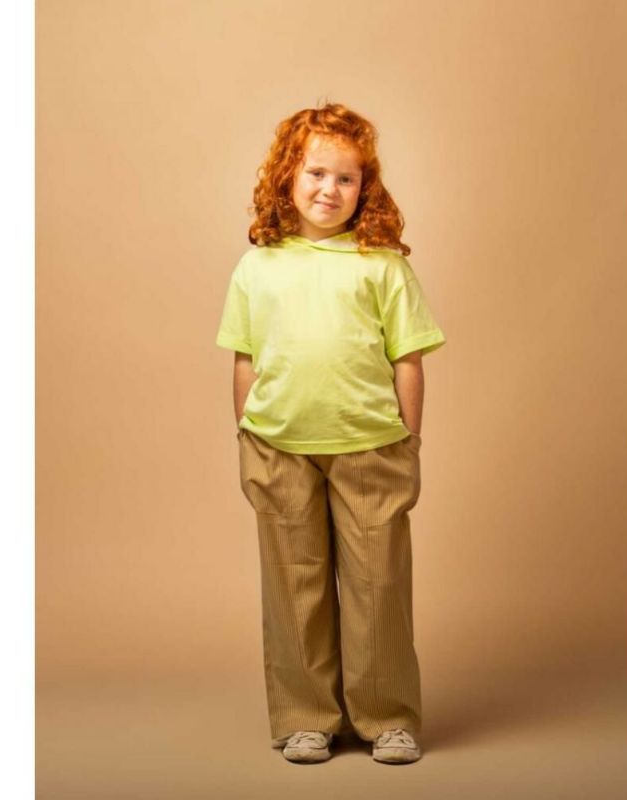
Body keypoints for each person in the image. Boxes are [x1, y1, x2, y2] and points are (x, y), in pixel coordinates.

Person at [215, 102, 446, 765]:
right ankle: (305, 717)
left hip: (370, 447)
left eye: (346, 178)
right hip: (278, 448)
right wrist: (246, 434)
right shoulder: (257, 267)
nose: (329, 189)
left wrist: (409, 442)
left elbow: (408, 360)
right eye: (316, 173)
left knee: (378, 586)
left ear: (364, 188)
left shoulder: (383, 266)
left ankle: (386, 717)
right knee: (294, 588)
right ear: (287, 176)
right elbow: (244, 359)